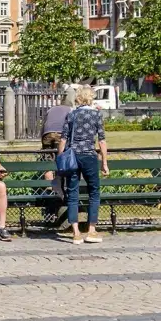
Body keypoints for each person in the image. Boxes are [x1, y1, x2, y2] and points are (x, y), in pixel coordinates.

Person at [58, 86, 109, 244]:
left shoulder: (71, 114)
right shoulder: (96, 115)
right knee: (94, 192)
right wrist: (104, 163)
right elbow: (101, 140)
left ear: (78, 98)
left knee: (72, 193)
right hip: (89, 156)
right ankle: (91, 230)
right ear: (91, 98)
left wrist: (60, 158)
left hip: (73, 156)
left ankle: (76, 233)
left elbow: (63, 139)